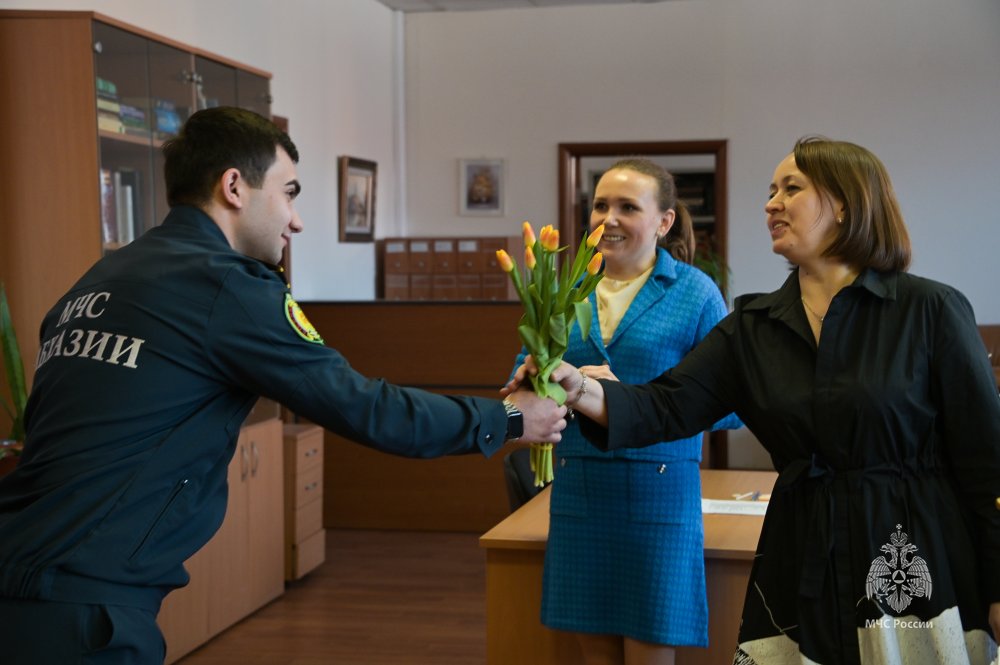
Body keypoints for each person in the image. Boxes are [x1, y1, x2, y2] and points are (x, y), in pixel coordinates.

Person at [0, 106, 567, 664]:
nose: (295, 220)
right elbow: (368, 409)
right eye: (288, 193)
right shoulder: (228, 288)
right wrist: (511, 419)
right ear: (233, 187)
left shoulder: (101, 277)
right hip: (84, 608)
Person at [510, 137, 1000, 665]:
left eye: (792, 189)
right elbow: (666, 406)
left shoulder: (930, 310)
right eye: (771, 191)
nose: (772, 204)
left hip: (908, 551)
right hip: (802, 546)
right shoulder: (753, 325)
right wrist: (578, 386)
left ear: (846, 204)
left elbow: (987, 462)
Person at [510, 158, 740, 665]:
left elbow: (733, 405)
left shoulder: (695, 293)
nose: (608, 218)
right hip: (580, 496)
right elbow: (524, 382)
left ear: (664, 221)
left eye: (628, 207)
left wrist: (629, 400)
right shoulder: (562, 290)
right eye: (600, 205)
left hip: (660, 502)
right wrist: (528, 392)